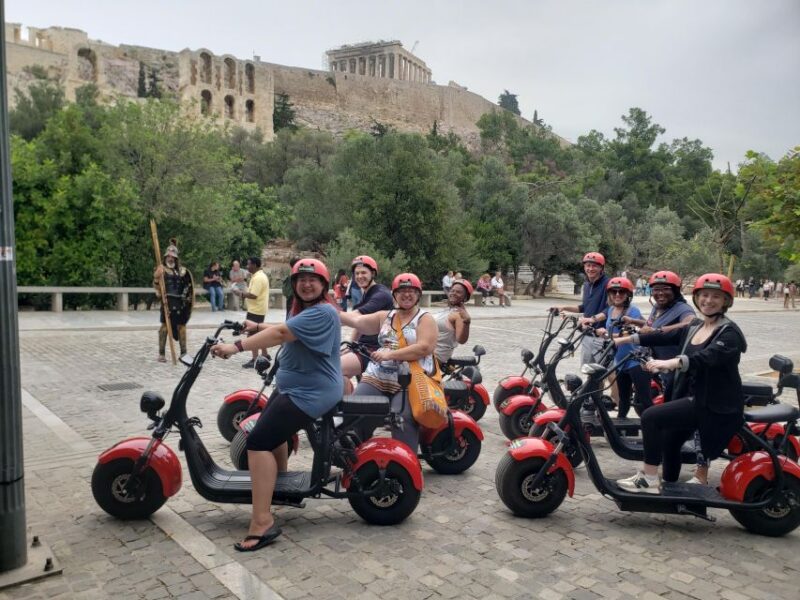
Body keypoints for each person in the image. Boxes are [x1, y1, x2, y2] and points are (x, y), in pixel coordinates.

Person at [211, 259, 340, 551]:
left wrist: (236, 347)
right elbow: (288, 328)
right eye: (301, 279)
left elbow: (282, 334)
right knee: (271, 432)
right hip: (294, 386)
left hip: (312, 391)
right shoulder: (306, 311)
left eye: (313, 280)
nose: (306, 284)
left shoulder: (324, 312)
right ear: (294, 284)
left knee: (257, 442)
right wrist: (256, 325)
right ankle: (278, 486)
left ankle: (262, 522)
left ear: (323, 286)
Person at [614, 274, 746, 492]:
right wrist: (625, 339)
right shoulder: (695, 325)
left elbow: (707, 357)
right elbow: (662, 336)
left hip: (713, 403)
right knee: (669, 441)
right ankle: (670, 489)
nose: (708, 300)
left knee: (650, 417)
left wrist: (670, 363)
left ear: (726, 301)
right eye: (704, 295)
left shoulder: (729, 332)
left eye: (716, 296)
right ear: (696, 298)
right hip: (693, 397)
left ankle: (648, 478)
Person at [339, 273, 437, 452]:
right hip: (378, 376)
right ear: (394, 295)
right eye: (402, 291)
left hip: (409, 380)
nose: (406, 295)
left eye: (411, 291)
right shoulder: (385, 316)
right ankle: (354, 458)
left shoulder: (425, 318)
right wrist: (331, 313)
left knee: (402, 418)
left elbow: (424, 347)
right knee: (355, 411)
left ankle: (407, 465)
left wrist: (391, 355)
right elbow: (358, 321)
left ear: (418, 295)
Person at [621, 271, 695, 403]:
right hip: (658, 363)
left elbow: (691, 323)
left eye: (666, 289)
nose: (660, 293)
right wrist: (633, 321)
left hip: (673, 367)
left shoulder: (683, 308)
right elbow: (651, 325)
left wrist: (658, 330)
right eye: (656, 289)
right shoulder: (657, 306)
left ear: (676, 291)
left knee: (672, 403)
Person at [593, 278, 650, 419]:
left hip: (635, 360)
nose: (617, 295)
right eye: (614, 291)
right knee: (623, 398)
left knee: (644, 399)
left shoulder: (633, 311)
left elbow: (628, 333)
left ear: (628, 295)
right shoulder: (611, 309)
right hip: (620, 361)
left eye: (622, 292)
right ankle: (621, 425)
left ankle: (655, 428)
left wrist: (605, 334)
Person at [340, 256, 394, 381]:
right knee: (337, 373)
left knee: (332, 369)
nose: (359, 276)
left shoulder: (380, 295)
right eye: (356, 273)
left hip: (375, 350)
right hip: (363, 347)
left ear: (373, 273)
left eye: (364, 272)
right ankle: (349, 399)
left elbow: (356, 317)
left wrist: (324, 320)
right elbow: (359, 326)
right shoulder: (367, 294)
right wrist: (351, 346)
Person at [553, 252, 610, 366]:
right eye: (588, 265)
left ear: (601, 268)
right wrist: (563, 307)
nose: (590, 268)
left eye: (594, 266)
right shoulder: (587, 285)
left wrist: (593, 319)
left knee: (607, 373)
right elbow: (584, 307)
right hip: (586, 335)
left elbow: (611, 309)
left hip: (602, 336)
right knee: (589, 372)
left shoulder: (608, 284)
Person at [153, 240, 193, 361]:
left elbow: (188, 287)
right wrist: (156, 277)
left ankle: (184, 353)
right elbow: (156, 287)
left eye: (172, 257)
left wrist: (187, 299)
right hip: (167, 302)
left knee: (182, 327)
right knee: (164, 328)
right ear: (165, 257)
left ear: (176, 259)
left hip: (180, 303)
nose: (170, 258)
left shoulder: (183, 271)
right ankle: (161, 354)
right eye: (168, 256)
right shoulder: (161, 270)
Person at [234, 257, 270, 368]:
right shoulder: (259, 276)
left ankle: (255, 360)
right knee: (259, 333)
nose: (247, 266)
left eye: (249, 264)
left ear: (254, 265)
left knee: (251, 335)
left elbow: (254, 295)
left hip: (256, 310)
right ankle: (265, 354)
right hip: (258, 309)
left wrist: (239, 293)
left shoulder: (258, 278)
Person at [433, 279, 473, 365]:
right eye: (452, 290)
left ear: (465, 297)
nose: (453, 293)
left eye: (458, 292)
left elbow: (461, 340)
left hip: (436, 355)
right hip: (426, 350)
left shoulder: (459, 315)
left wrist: (467, 322)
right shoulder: (447, 310)